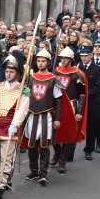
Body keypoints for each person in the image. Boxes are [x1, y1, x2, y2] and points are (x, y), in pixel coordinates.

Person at [0, 56, 29, 199]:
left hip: (10, 127)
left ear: (17, 73)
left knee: (7, 157)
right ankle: (6, 176)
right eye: (7, 71)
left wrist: (15, 124)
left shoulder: (23, 90)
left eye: (11, 71)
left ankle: (0, 185)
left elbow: (23, 110)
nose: (8, 74)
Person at [23, 49, 63, 185]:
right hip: (32, 115)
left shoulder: (53, 79)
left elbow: (58, 100)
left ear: (48, 62)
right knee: (32, 145)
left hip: (47, 116)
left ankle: (43, 173)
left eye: (43, 61)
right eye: (38, 61)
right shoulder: (30, 77)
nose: (40, 63)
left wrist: (58, 118)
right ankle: (34, 170)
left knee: (44, 146)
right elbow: (25, 96)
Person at [52, 47, 88, 173]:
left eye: (66, 58)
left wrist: (79, 111)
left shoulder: (77, 74)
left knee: (67, 133)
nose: (63, 60)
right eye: (62, 58)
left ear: (71, 59)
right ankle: (56, 154)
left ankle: (63, 160)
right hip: (57, 105)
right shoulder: (56, 71)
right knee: (54, 131)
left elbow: (82, 94)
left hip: (71, 106)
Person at [78, 46, 100, 161]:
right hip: (78, 102)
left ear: (91, 56)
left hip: (91, 102)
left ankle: (89, 149)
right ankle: (69, 152)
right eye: (82, 56)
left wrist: (86, 95)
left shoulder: (97, 69)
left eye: (85, 56)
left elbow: (98, 86)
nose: (83, 58)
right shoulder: (78, 68)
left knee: (91, 127)